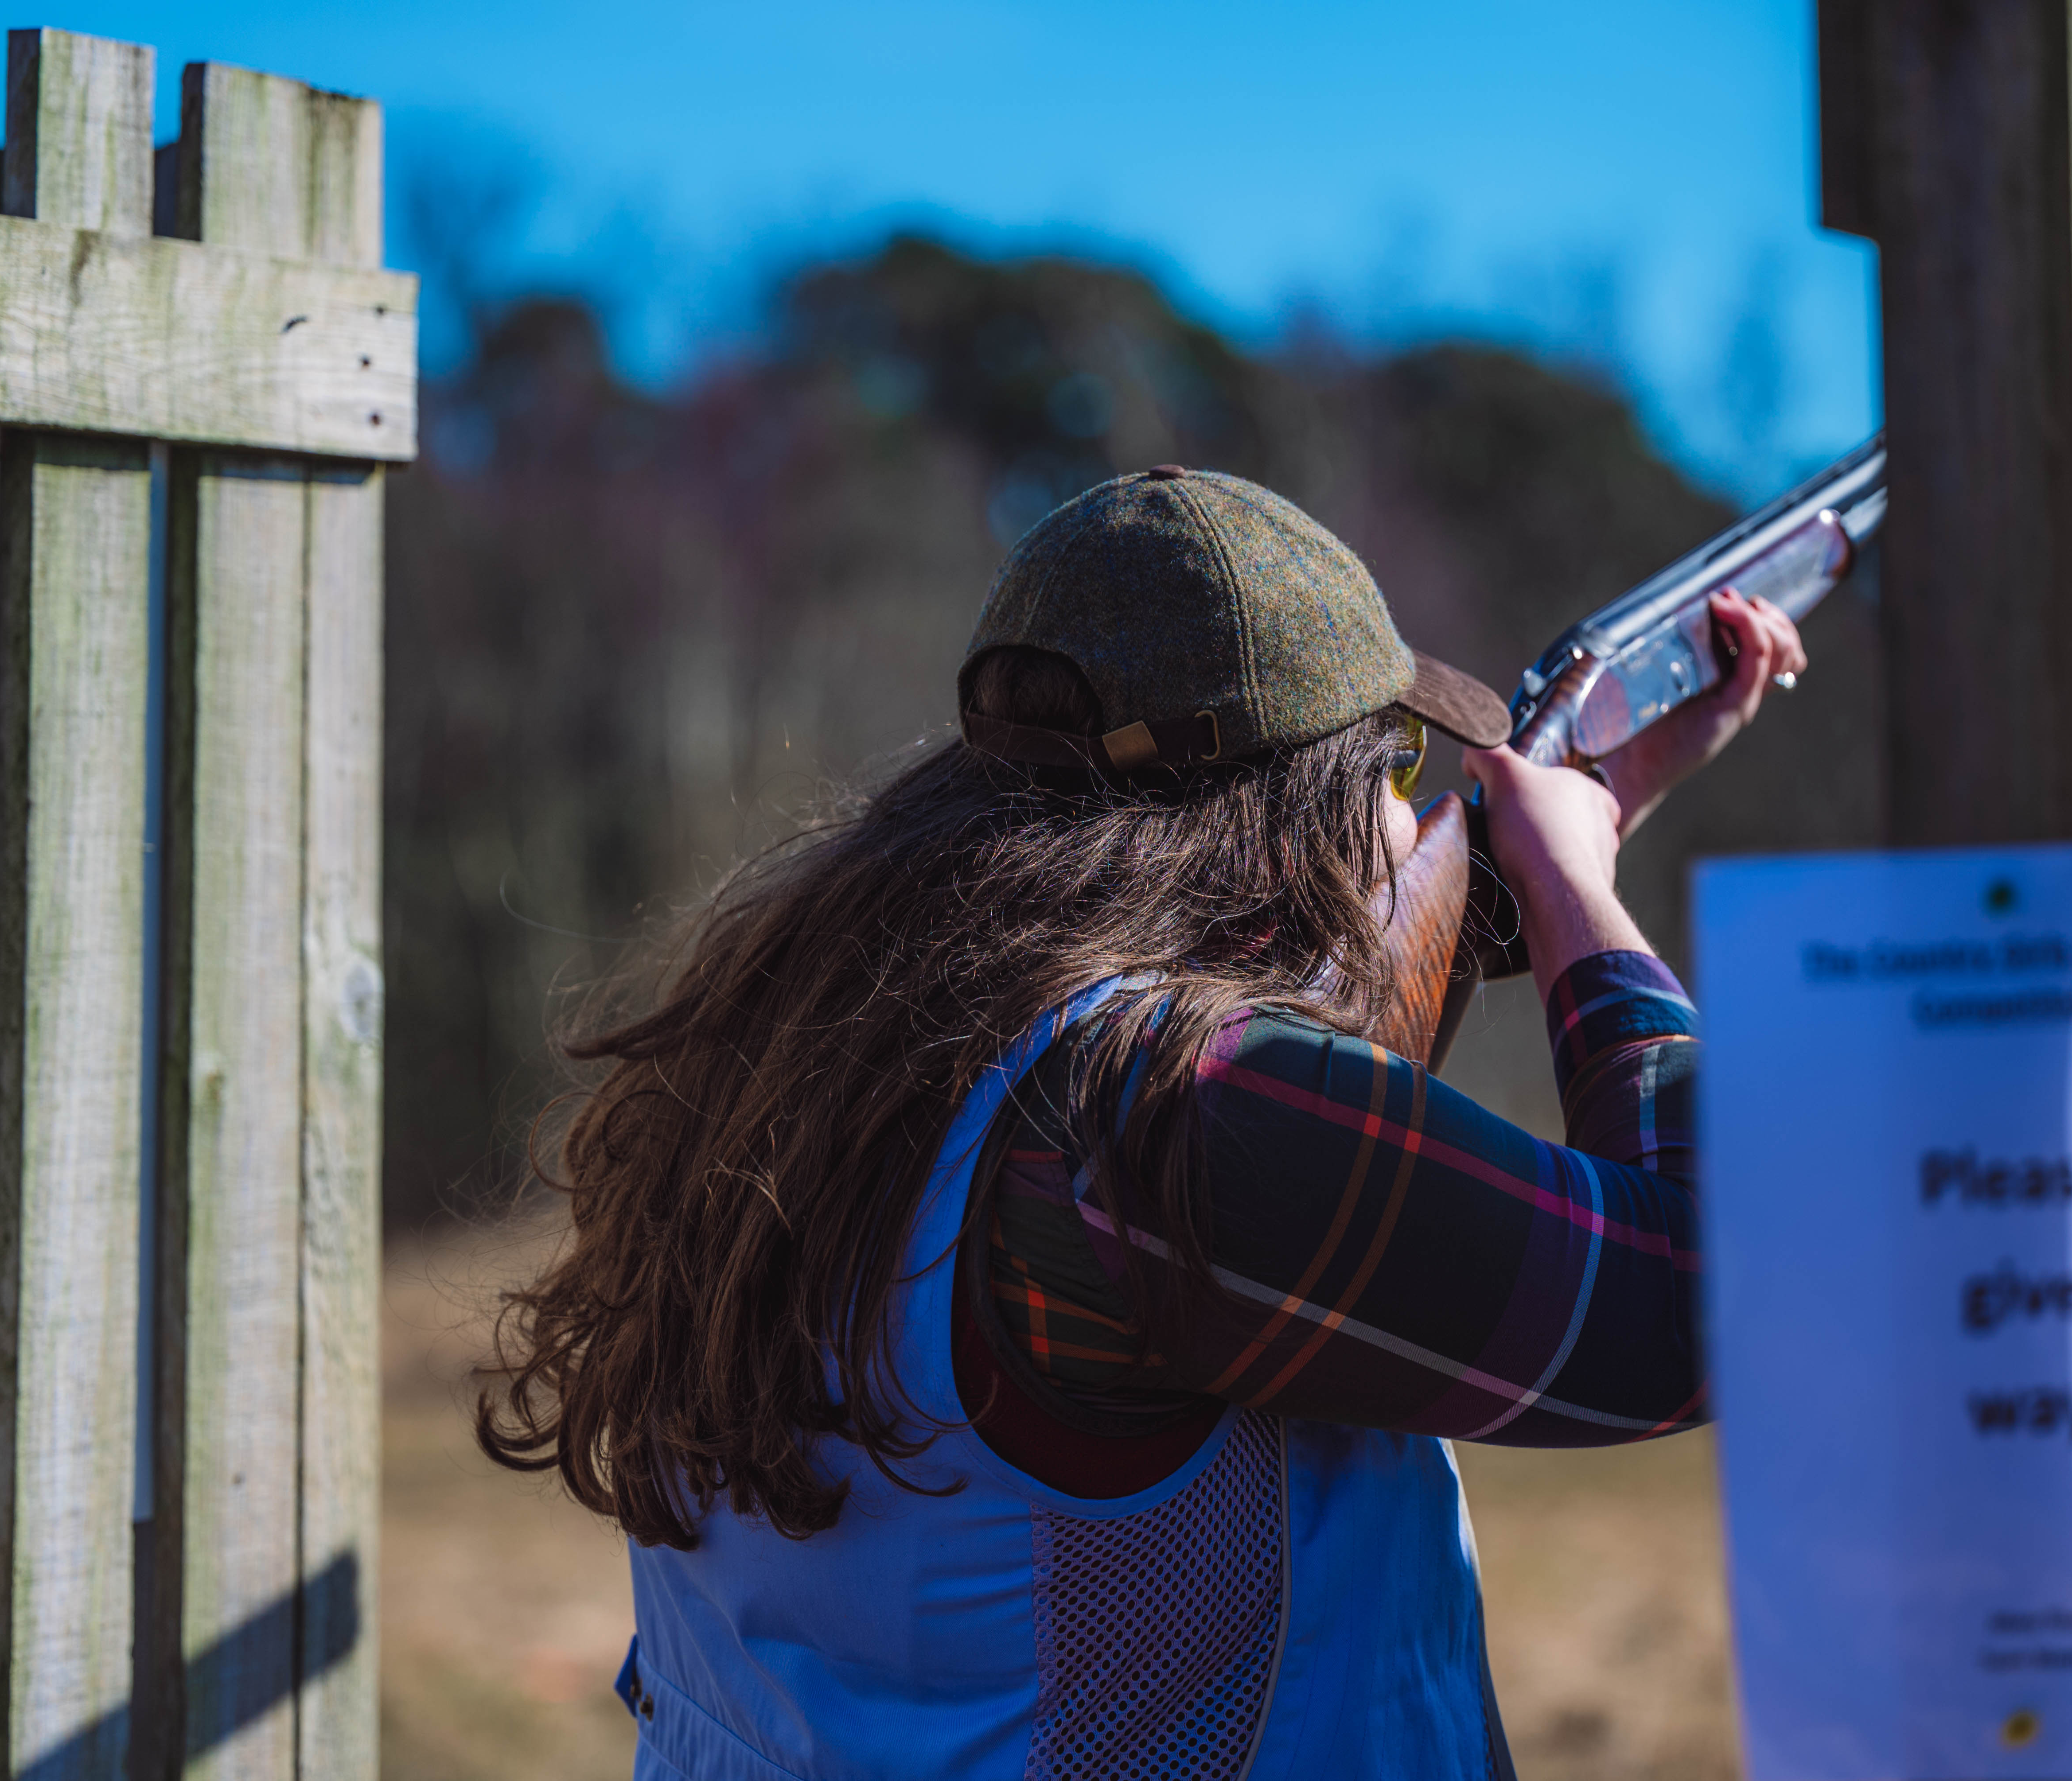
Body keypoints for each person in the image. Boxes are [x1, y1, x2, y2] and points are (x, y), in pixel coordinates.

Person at [479, 464, 1807, 1780]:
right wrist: (1578, 887)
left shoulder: (796, 1060)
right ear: (1299, 814)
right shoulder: (1178, 1111)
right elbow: (1701, 1297)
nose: (1408, 813)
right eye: (1394, 764)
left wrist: (1570, 831)